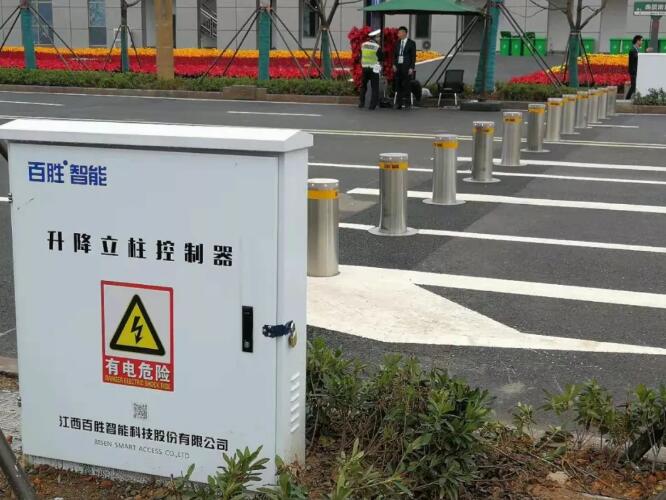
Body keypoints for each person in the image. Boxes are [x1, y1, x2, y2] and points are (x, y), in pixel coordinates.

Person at [358, 29, 383, 110]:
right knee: (375, 87)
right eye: (378, 37)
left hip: (365, 68)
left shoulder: (363, 45)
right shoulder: (377, 46)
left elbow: (360, 55)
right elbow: (381, 58)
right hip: (374, 69)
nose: (379, 38)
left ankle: (361, 103)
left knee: (363, 86)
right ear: (374, 38)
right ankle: (372, 106)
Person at [392, 26, 416, 110]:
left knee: (406, 85)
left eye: (399, 33)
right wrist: (394, 64)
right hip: (398, 66)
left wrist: (411, 67)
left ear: (404, 33)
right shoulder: (397, 43)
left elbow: (413, 56)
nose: (398, 34)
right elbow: (395, 55)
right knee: (398, 85)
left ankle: (407, 103)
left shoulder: (411, 43)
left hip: (407, 67)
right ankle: (398, 103)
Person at [626, 35, 643, 100]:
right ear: (637, 41)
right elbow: (635, 60)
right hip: (633, 71)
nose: (642, 42)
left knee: (634, 86)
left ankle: (634, 98)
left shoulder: (636, 49)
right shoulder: (633, 50)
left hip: (635, 71)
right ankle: (627, 99)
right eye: (641, 40)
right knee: (633, 86)